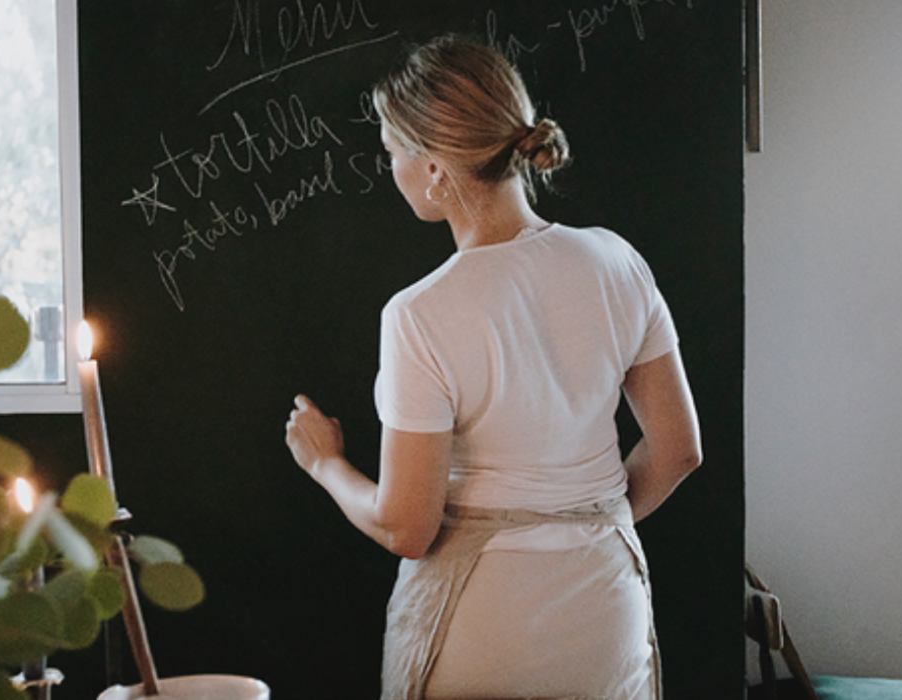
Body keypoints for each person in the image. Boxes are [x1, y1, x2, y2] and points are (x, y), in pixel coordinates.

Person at [285, 35, 701, 700]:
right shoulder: (617, 261)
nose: (389, 166)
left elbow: (407, 526)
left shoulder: (420, 314)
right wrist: (583, 522)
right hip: (606, 608)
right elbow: (679, 451)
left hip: (483, 624)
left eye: (393, 151)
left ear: (434, 170)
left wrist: (324, 463)